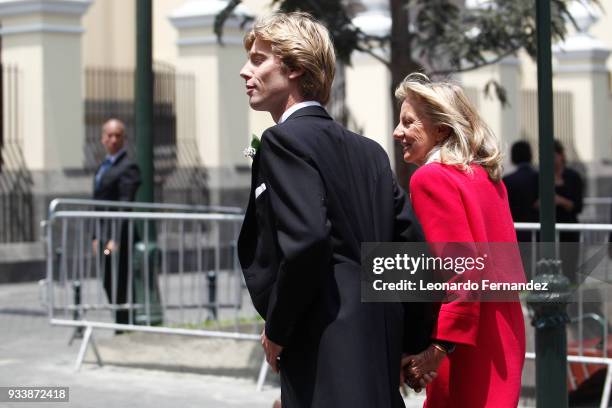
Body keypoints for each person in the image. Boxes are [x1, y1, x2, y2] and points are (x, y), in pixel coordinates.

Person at [237, 12, 430, 408]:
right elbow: (413, 256)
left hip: (324, 345)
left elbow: (307, 242)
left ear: (295, 68)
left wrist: (277, 329)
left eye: (258, 60)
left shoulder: (283, 141)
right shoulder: (371, 152)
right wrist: (412, 344)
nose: (245, 71)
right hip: (378, 350)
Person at [392, 73, 526, 407]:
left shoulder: (430, 178)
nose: (398, 133)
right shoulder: (484, 176)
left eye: (409, 122)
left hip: (467, 338)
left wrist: (439, 348)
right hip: (502, 329)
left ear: (441, 129)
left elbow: (463, 271)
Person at [93, 118, 141, 326]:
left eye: (118, 136)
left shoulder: (128, 167)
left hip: (118, 236)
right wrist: (95, 236)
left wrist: (114, 238)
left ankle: (124, 325)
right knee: (107, 280)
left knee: (119, 281)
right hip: (102, 233)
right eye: (109, 135)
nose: (113, 140)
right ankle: (120, 323)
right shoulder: (103, 166)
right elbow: (96, 203)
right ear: (103, 138)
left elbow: (125, 204)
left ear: (124, 139)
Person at [550, 139, 584, 284]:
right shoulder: (540, 176)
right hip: (549, 231)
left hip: (569, 229)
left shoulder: (573, 177)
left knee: (570, 268)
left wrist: (560, 201)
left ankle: (571, 304)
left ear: (561, 155)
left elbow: (578, 206)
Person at [503, 140, 539, 242]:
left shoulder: (508, 180)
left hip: (516, 230)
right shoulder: (540, 178)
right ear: (530, 155)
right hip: (537, 231)